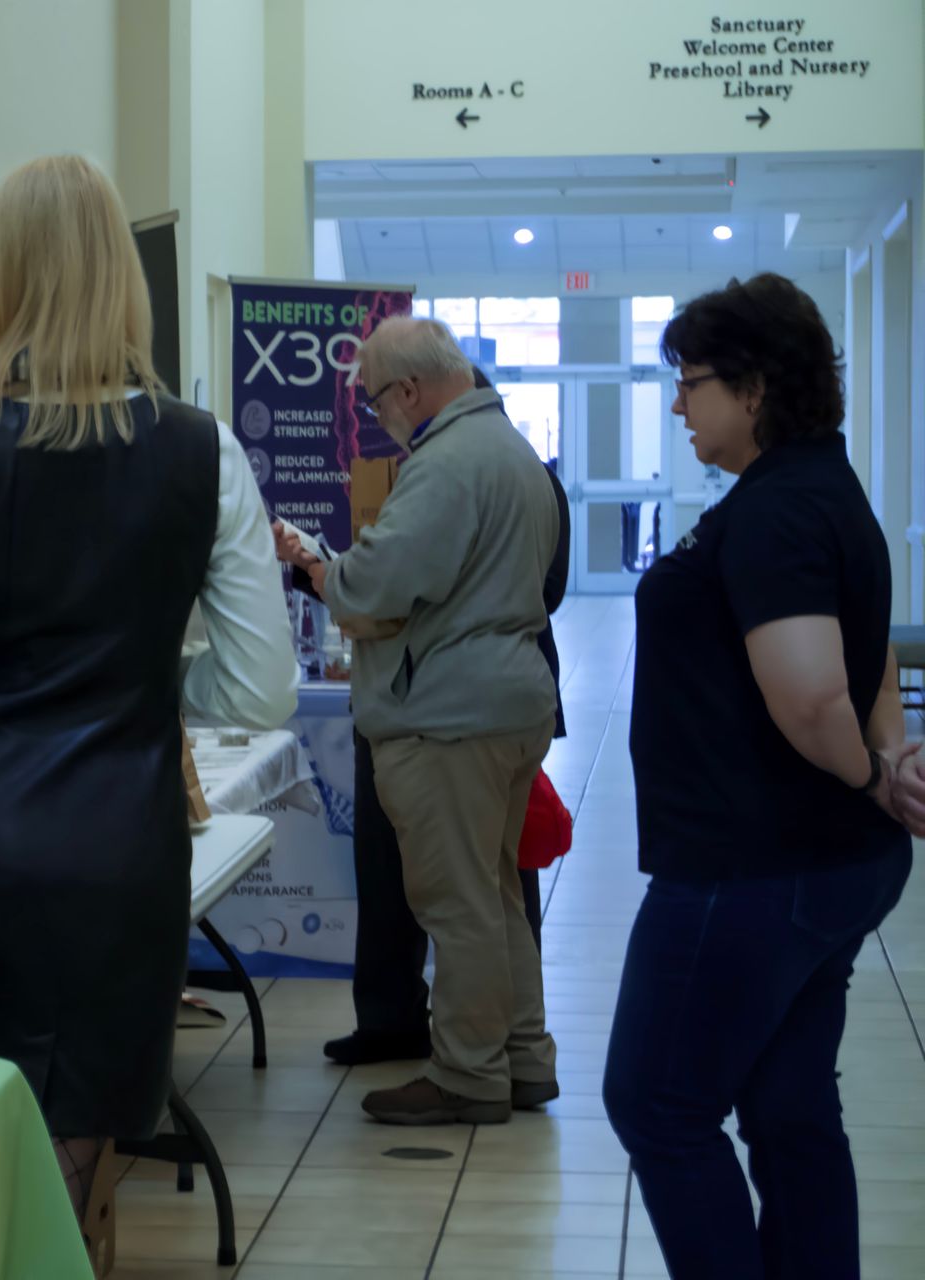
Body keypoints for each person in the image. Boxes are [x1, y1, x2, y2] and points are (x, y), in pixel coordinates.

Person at [0, 155, 299, 1240]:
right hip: (123, 856)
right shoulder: (202, 451)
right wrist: (148, 678)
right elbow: (261, 687)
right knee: (70, 1182)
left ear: (6, 287)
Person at [601, 274, 925, 1279]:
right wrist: (878, 757)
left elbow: (812, 692)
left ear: (751, 387)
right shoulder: (819, 487)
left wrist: (871, 766)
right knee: (787, 1107)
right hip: (815, 859)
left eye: (689, 382)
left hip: (751, 868)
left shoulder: (781, 509)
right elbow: (865, 652)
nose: (676, 403)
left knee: (656, 1103)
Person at [280, 318, 560, 1125]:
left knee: (455, 901)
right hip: (506, 697)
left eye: (375, 404)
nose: (379, 420)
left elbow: (374, 590)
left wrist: (321, 568)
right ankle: (520, 1054)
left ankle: (467, 1073)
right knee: (496, 892)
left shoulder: (445, 465)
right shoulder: (512, 451)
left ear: (409, 391)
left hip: (447, 713)